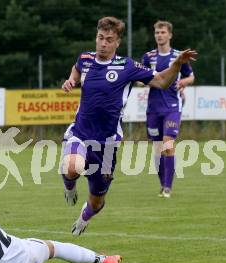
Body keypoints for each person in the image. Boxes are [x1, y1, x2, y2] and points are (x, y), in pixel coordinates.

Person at [61, 16, 197, 235]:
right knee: (72, 166)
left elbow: (162, 81)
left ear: (117, 43)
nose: (103, 43)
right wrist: (71, 79)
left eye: (109, 39)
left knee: (96, 202)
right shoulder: (85, 58)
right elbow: (77, 68)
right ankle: (69, 186)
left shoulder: (128, 66)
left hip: (107, 143)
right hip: (81, 132)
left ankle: (85, 216)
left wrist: (177, 64)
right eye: (100, 38)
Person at [142, 21, 195, 198]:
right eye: (157, 32)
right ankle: (163, 183)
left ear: (170, 35)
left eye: (163, 32)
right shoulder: (148, 57)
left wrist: (182, 82)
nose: (159, 35)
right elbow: (141, 77)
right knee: (158, 149)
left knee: (168, 143)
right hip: (153, 108)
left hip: (172, 106)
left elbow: (191, 77)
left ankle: (168, 187)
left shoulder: (179, 56)